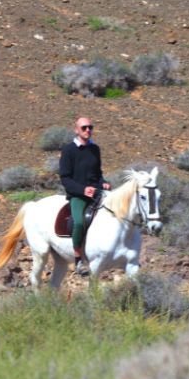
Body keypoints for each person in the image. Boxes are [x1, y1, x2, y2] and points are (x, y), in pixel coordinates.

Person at [59, 116, 111, 276]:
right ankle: (78, 259)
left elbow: (98, 174)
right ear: (76, 130)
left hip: (97, 193)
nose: (88, 130)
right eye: (84, 127)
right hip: (78, 195)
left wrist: (103, 182)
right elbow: (65, 178)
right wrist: (82, 190)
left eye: (90, 127)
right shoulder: (68, 150)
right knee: (79, 223)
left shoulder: (95, 149)